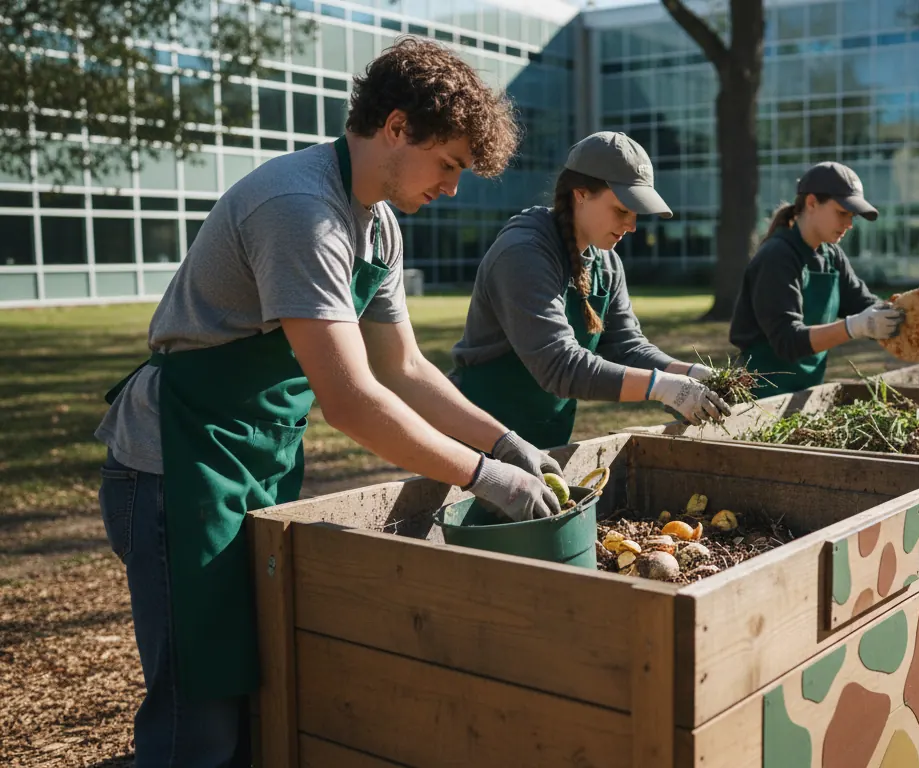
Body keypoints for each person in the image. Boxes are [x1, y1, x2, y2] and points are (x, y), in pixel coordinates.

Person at [93, 38, 563, 766]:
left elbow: (403, 368)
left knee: (257, 692)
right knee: (199, 720)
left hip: (254, 459)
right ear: (397, 127)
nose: (453, 188)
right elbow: (349, 400)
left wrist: (506, 443)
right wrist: (484, 477)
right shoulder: (300, 209)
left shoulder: (377, 226)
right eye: (448, 164)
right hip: (174, 468)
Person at [450, 131, 731, 449]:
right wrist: (662, 387)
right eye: (622, 210)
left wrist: (692, 374)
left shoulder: (606, 262)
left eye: (635, 213)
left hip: (543, 442)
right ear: (580, 194)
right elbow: (560, 366)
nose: (632, 226)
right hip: (477, 441)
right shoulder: (523, 253)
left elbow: (626, 348)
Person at [729, 161, 919, 397]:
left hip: (806, 393)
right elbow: (787, 341)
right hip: (760, 396)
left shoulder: (831, 255)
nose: (848, 224)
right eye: (842, 213)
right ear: (812, 203)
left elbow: (863, 304)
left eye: (852, 216)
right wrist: (853, 327)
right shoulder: (777, 257)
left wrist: (909, 311)